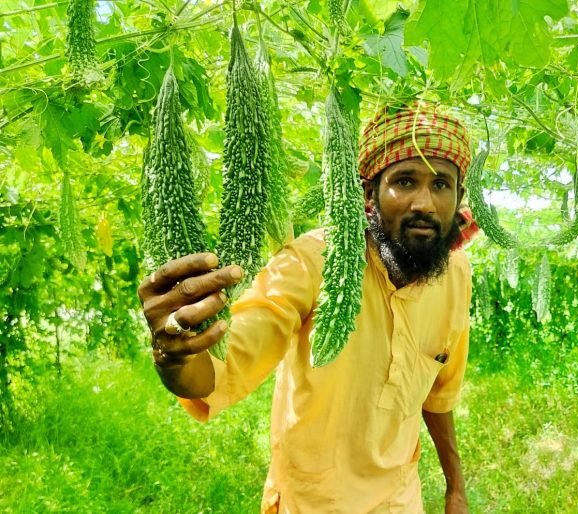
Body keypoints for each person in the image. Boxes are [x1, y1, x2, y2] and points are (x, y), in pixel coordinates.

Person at [138, 104, 476, 513]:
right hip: (312, 501)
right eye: (404, 181)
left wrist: (455, 487)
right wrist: (175, 356)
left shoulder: (456, 276)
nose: (424, 202)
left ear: (458, 197)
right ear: (369, 193)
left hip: (399, 500)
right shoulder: (310, 263)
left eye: (441, 185)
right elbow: (223, 368)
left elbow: (438, 393)